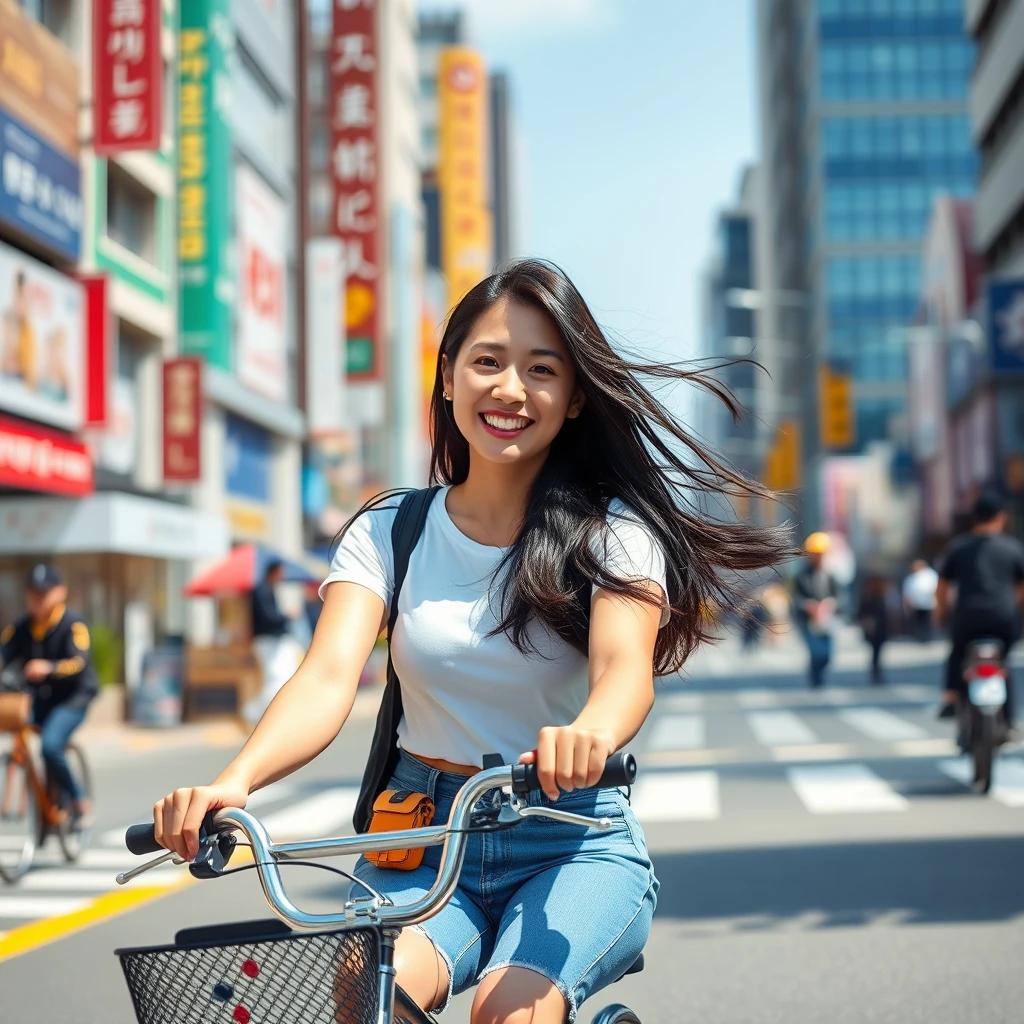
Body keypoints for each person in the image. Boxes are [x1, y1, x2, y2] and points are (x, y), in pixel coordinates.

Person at [150, 259, 791, 1023]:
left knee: (507, 1014)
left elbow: (626, 671)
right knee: (368, 990)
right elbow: (326, 678)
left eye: (541, 370)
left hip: (571, 835)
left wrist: (588, 734)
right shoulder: (390, 530)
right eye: (488, 362)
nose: (510, 390)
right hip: (424, 835)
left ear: (576, 396)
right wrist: (236, 780)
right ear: (449, 377)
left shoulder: (614, 531)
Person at [0, 564, 97, 820]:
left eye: (45, 593)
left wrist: (49, 668)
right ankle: (44, 798)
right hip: (40, 699)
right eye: (33, 593)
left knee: (50, 746)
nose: (38, 599)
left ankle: (76, 796)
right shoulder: (21, 626)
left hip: (73, 699)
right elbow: (4, 654)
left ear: (60, 593)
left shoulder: (73, 624)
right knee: (21, 737)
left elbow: (79, 662)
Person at [935, 492, 1024, 728]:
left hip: (967, 618)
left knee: (957, 654)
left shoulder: (958, 548)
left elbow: (942, 586)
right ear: (1001, 518)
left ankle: (951, 697)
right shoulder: (1012, 548)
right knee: (1003, 662)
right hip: (1003, 619)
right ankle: (1009, 720)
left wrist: (941, 611)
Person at [246, 559, 297, 725]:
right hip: (267, 640)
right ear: (274, 572)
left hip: (273, 639)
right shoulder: (261, 590)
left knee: (281, 677)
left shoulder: (267, 589)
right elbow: (268, 617)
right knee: (276, 678)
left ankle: (264, 713)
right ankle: (256, 712)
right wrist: (287, 616)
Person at [793, 532, 840, 689]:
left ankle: (818, 672)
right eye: (815, 554)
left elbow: (840, 597)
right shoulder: (801, 576)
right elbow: (795, 599)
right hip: (809, 620)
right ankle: (815, 677)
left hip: (827, 620)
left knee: (826, 654)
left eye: (821, 554)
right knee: (815, 651)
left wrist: (830, 603)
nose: (818, 557)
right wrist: (808, 605)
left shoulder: (831, 575)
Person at [857, 575, 892, 686]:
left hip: (881, 629)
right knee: (875, 652)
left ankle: (876, 672)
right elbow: (860, 614)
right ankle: (875, 672)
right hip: (872, 630)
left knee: (877, 652)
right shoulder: (867, 597)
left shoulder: (883, 596)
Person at [902, 558, 938, 642]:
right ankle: (920, 638)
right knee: (918, 622)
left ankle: (927, 638)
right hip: (917, 605)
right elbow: (908, 592)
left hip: (929, 604)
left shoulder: (931, 575)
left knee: (927, 622)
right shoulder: (912, 577)